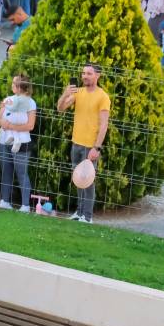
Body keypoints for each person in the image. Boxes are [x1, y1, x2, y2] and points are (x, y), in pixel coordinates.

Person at [56, 63, 111, 223]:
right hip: (76, 144)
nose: (85, 76)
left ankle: (88, 216)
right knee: (78, 179)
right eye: (83, 73)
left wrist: (97, 147)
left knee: (88, 182)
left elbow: (104, 125)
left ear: (97, 75)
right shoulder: (78, 92)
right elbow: (60, 108)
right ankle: (79, 213)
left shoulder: (103, 97)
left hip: (90, 147)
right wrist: (65, 93)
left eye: (89, 73)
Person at [0, 74, 38, 211]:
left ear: (21, 87)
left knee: (21, 172)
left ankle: (25, 205)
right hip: (3, 141)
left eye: (14, 84)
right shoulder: (7, 100)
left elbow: (30, 126)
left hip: (22, 143)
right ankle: (5, 201)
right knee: (5, 171)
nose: (12, 85)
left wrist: (10, 126)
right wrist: (3, 123)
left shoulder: (30, 103)